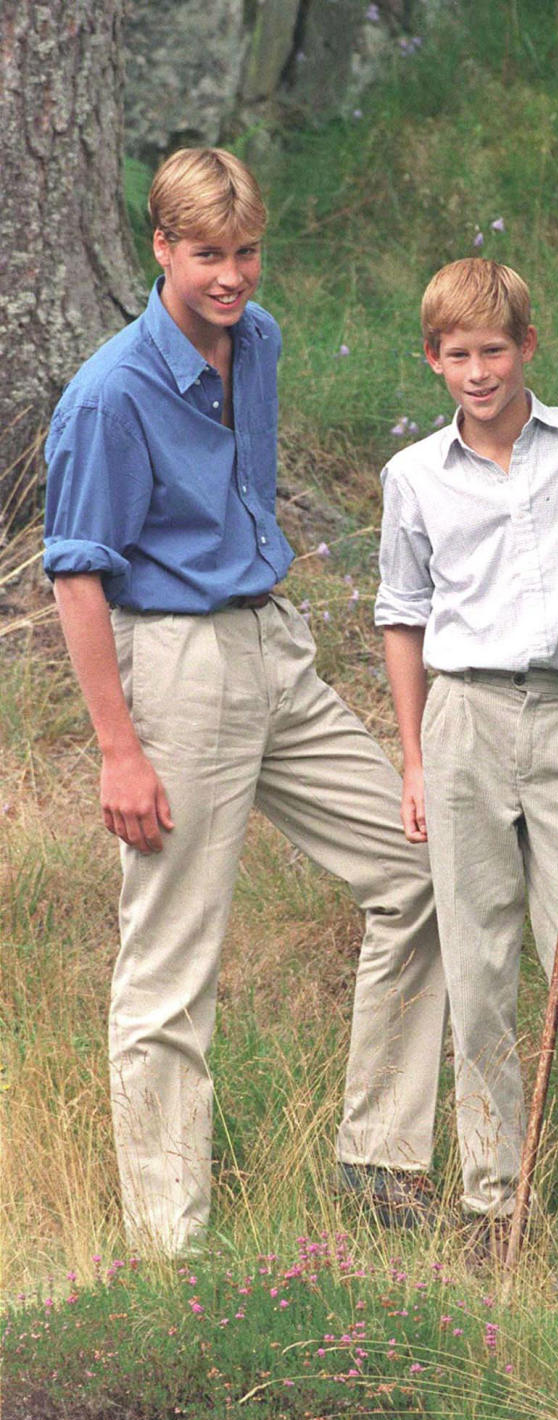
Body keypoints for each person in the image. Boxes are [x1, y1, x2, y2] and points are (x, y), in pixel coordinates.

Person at [43, 147, 447, 1257]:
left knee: (422, 872)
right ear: (161, 248)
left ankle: (379, 1160)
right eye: (208, 254)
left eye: (247, 251)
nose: (231, 276)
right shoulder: (110, 393)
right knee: (172, 964)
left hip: (274, 647)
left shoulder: (256, 340)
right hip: (174, 668)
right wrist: (118, 751)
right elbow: (77, 576)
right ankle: (169, 1253)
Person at [375, 257, 558, 1266]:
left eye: (495, 349)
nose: (479, 371)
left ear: (528, 347)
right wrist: (413, 757)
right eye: (457, 354)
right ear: (433, 360)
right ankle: (493, 1200)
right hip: (464, 719)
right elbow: (403, 617)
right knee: (480, 968)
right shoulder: (414, 476)